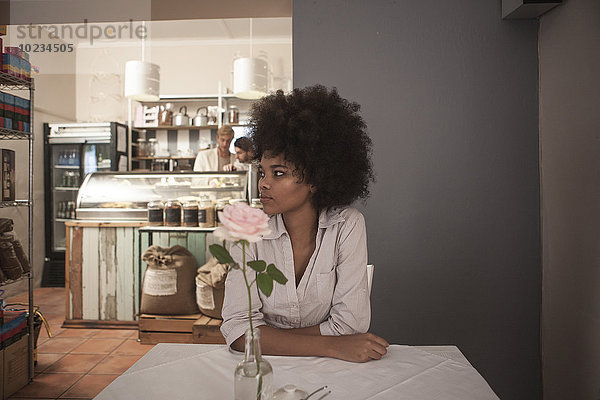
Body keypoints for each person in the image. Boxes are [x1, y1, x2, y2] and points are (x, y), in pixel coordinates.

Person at [221, 85, 389, 363]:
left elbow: (350, 326)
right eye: (262, 171)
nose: (263, 183)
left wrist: (270, 337)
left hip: (328, 372)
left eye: (278, 173)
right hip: (267, 368)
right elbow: (238, 331)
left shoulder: (347, 226)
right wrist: (334, 346)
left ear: (315, 179)